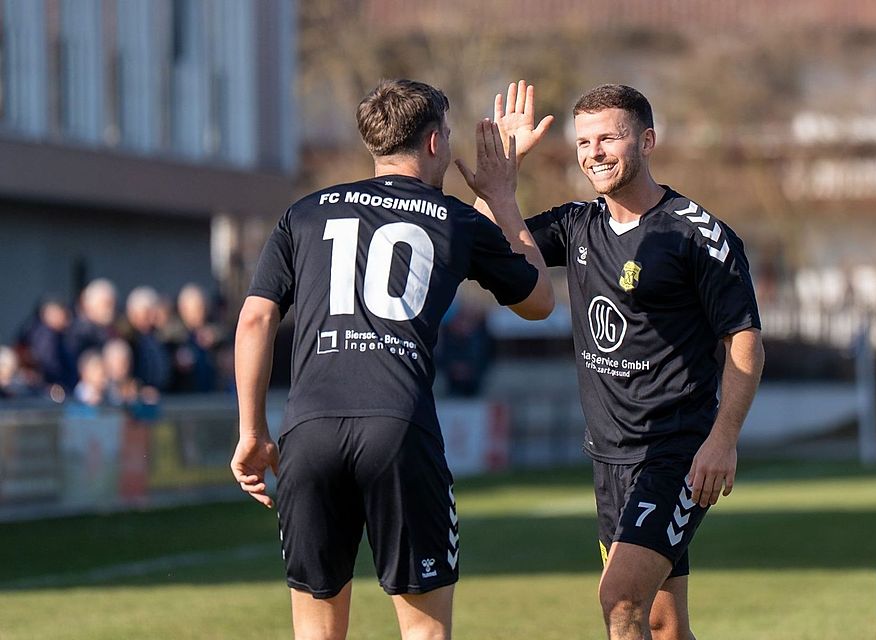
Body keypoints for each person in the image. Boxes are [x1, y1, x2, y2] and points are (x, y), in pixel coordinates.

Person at [229, 78, 553, 640]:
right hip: (398, 427)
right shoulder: (458, 220)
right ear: (433, 143)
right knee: (424, 630)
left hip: (309, 429)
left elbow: (255, 319)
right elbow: (538, 301)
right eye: (448, 135)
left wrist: (251, 431)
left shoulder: (304, 213)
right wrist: (502, 191)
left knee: (316, 631)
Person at [482, 81, 764, 640]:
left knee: (619, 599)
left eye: (609, 138)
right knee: (661, 622)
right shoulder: (577, 225)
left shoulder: (698, 234)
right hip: (608, 457)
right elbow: (487, 246)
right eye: (584, 142)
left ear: (647, 140)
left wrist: (722, 439)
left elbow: (745, 339)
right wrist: (501, 179)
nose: (594, 153)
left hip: (676, 453)